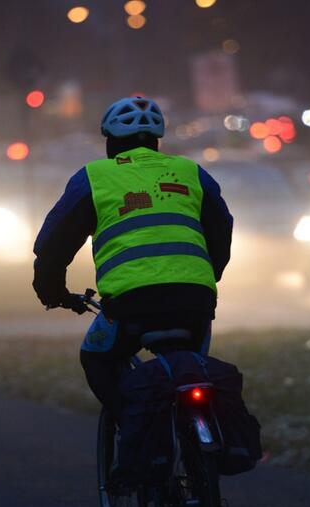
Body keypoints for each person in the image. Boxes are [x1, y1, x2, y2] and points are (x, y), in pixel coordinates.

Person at [32, 96, 233, 415]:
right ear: (156, 141)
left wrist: (51, 290)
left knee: (96, 357)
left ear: (110, 141)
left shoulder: (94, 177)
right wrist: (210, 275)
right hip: (196, 301)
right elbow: (222, 227)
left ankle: (133, 432)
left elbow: (54, 243)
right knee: (194, 369)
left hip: (130, 306)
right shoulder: (192, 173)